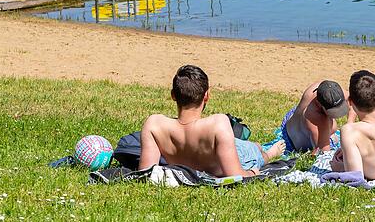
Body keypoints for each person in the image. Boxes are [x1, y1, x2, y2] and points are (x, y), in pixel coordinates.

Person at [139, 65, 285, 177]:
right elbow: (237, 175)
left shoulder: (154, 125)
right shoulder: (218, 123)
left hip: (218, 149)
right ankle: (271, 153)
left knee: (250, 145)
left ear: (173, 95)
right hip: (230, 158)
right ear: (206, 96)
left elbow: (146, 172)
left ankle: (258, 146)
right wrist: (254, 173)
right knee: (255, 151)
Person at [280, 80, 349, 154]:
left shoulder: (329, 89)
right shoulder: (316, 118)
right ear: (320, 104)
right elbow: (323, 154)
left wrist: (349, 123)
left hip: (292, 118)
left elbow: (353, 100)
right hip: (293, 142)